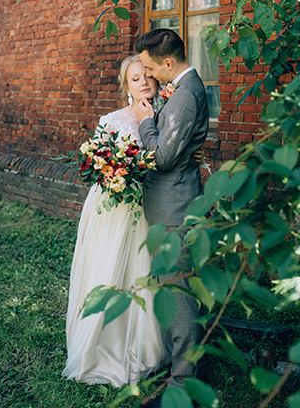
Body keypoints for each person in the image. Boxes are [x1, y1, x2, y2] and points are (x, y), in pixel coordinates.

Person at [64, 55, 170, 385]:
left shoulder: (164, 117)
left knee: (143, 269)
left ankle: (146, 346)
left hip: (147, 204)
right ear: (126, 85)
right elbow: (98, 160)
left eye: (148, 76)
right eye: (135, 78)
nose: (144, 83)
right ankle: (103, 344)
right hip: (114, 205)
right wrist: (112, 172)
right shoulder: (111, 119)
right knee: (110, 267)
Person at [130, 29, 211, 393]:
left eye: (150, 68)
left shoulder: (185, 96)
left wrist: (146, 121)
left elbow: (162, 157)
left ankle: (182, 384)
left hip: (175, 206)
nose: (147, 76)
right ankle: (178, 370)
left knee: (178, 296)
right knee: (175, 289)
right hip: (172, 201)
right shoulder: (181, 90)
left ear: (167, 62)